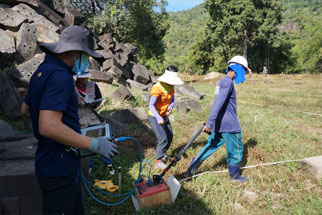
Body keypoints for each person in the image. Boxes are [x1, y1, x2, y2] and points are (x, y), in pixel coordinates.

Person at [20, 25, 118, 214]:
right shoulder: (61, 77)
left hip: (49, 159)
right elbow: (48, 126)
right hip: (59, 166)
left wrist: (63, 127)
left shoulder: (43, 71)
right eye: (86, 56)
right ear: (74, 52)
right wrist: (94, 144)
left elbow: (24, 110)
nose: (86, 62)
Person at [185, 55, 249, 182]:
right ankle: (235, 177)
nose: (244, 75)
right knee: (236, 149)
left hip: (218, 124)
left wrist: (212, 123)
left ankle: (191, 169)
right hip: (229, 125)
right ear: (237, 69)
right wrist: (209, 123)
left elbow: (218, 103)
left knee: (211, 145)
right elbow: (217, 103)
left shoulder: (222, 81)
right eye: (244, 71)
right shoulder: (228, 83)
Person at [75, 72, 115, 175]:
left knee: (103, 140)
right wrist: (76, 103)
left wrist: (94, 103)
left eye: (86, 78)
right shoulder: (71, 88)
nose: (85, 80)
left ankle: (109, 165)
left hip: (94, 119)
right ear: (77, 78)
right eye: (82, 78)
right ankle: (88, 167)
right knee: (85, 145)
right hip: (81, 121)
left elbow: (99, 99)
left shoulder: (93, 85)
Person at [148, 65, 184, 169]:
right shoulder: (157, 87)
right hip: (154, 116)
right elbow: (151, 105)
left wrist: (170, 107)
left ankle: (162, 153)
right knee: (162, 138)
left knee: (169, 136)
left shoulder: (171, 87)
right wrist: (158, 117)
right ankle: (158, 161)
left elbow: (172, 100)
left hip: (164, 115)